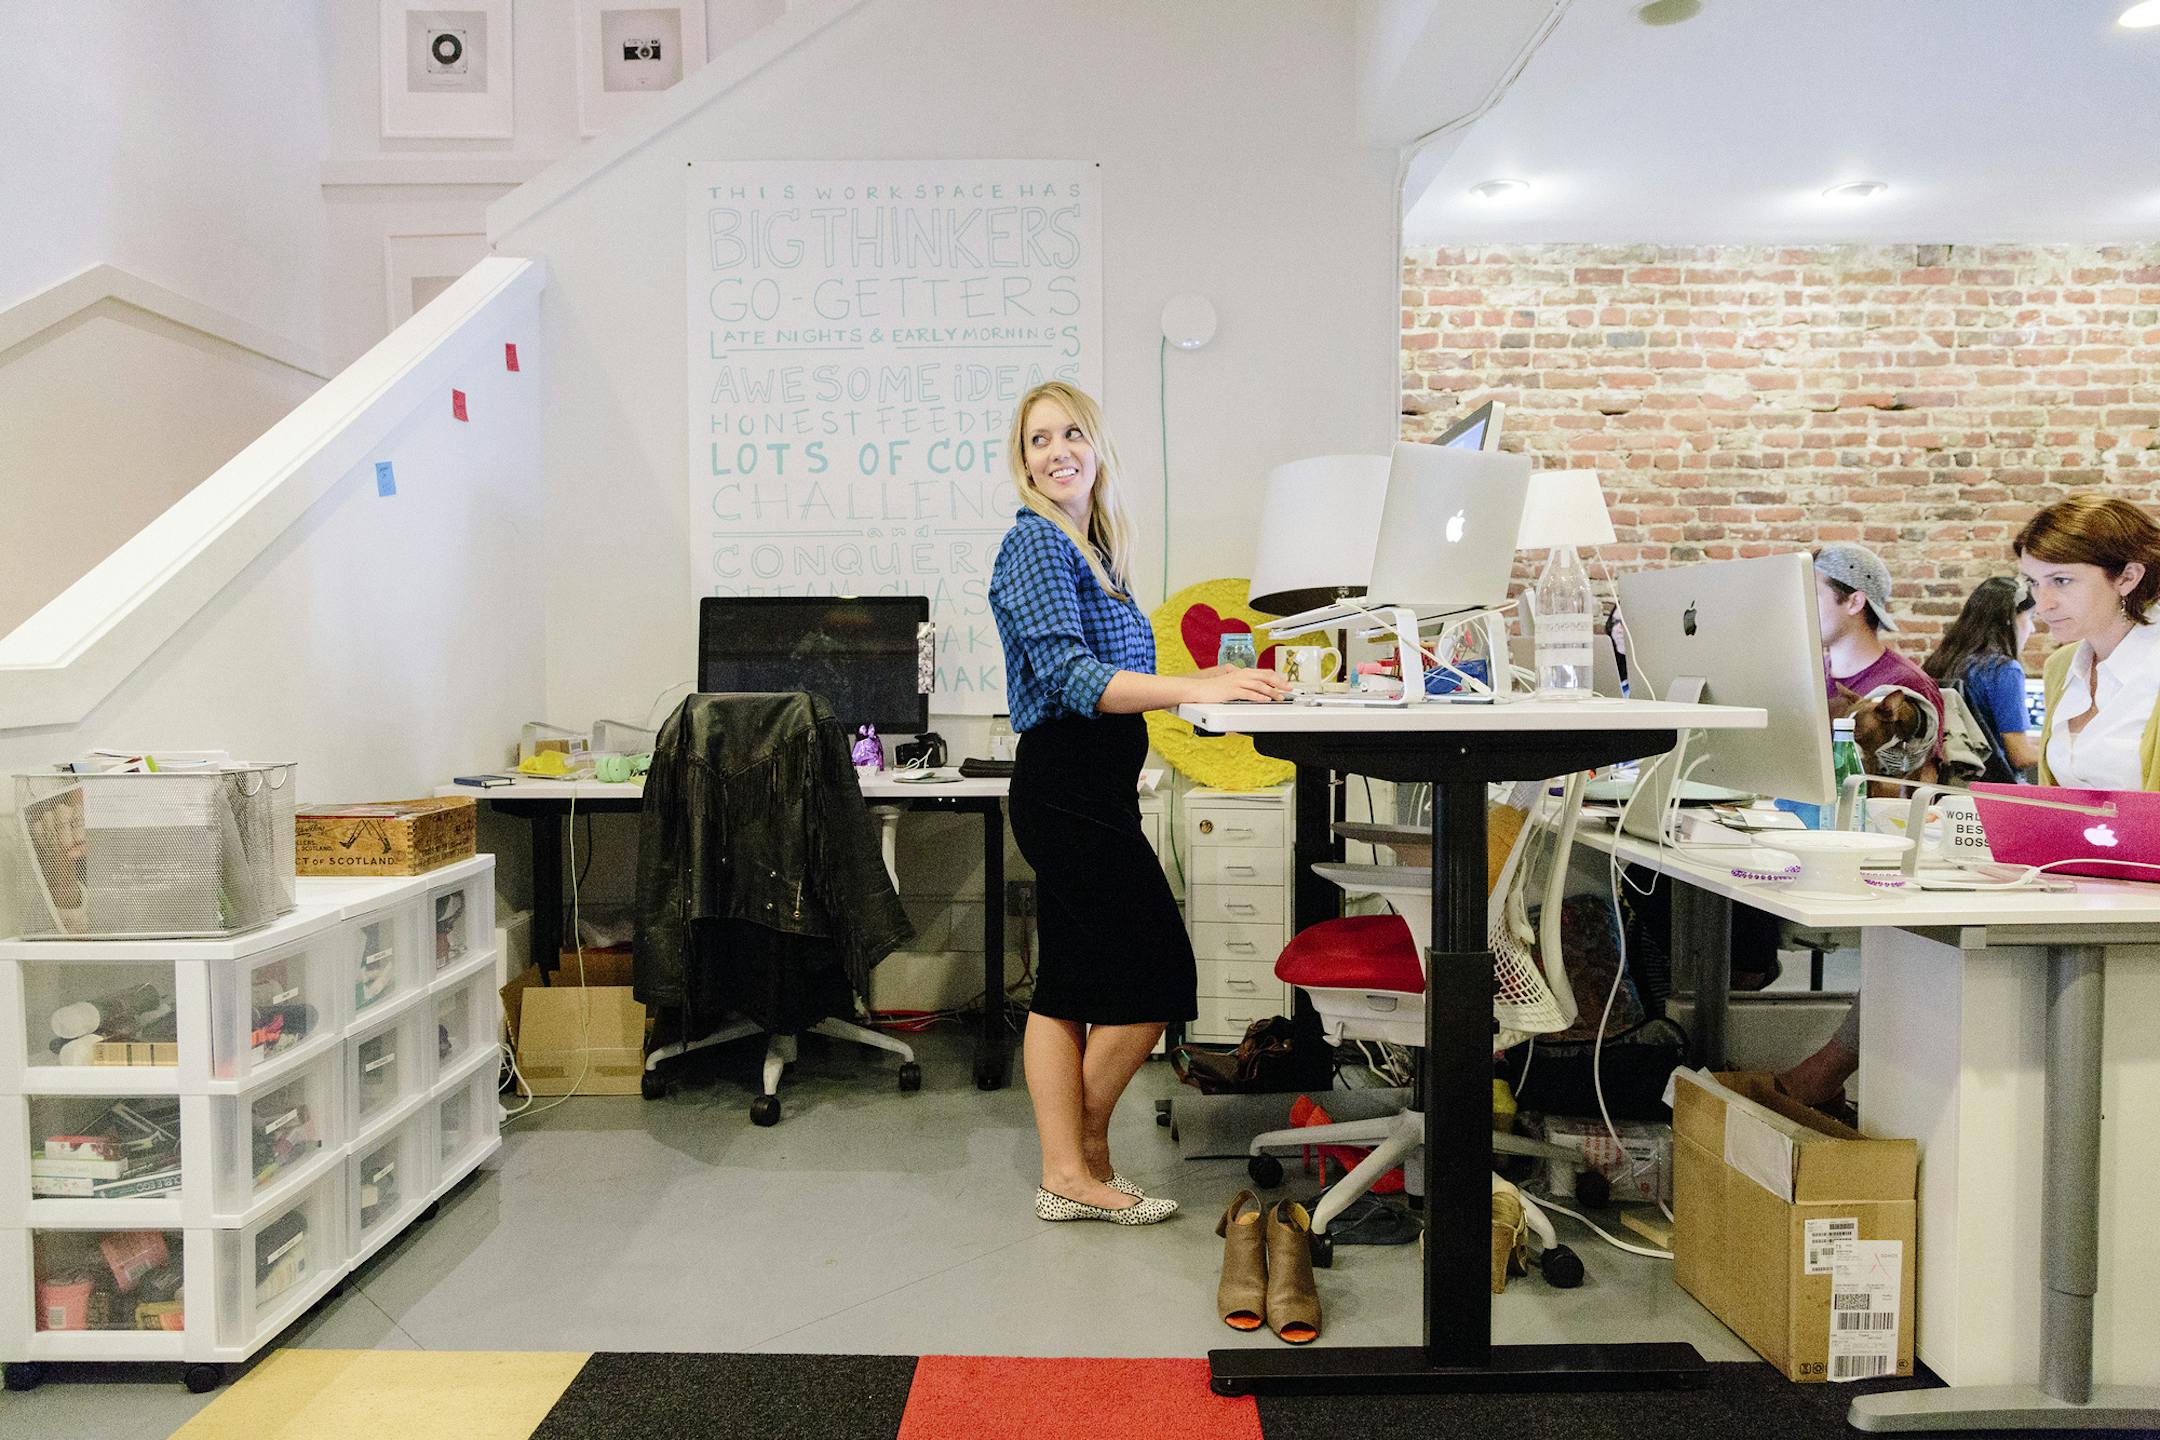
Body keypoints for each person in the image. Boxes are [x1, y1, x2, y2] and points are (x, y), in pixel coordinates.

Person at [987, 381, 1288, 1225]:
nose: (1057, 452)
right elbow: (1076, 679)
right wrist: (1200, 684)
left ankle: (1076, 1170)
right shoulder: (1037, 548)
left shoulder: (1093, 549)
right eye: (1038, 440)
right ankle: (1075, 1157)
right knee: (1156, 976)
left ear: (1096, 448)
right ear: (1023, 462)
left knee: (1068, 988)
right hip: (1068, 789)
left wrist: (1204, 688)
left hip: (1092, 788)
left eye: (1072, 433)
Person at [1773, 545, 1948, 1115]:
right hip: (1790, 833)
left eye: (1813, 596)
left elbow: (1900, 794)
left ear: (1855, 600)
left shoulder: (1902, 690)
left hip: (1863, 850)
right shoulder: (1809, 672)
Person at [2015, 493, 2160, 790]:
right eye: (2033, 582)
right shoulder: (2062, 666)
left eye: (2061, 581)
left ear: (2127, 577)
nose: (2042, 605)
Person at [1922, 576, 2040, 780]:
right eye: (2030, 618)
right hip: (1992, 789)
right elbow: (2020, 756)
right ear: (2010, 619)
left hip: (1946, 784)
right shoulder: (2004, 670)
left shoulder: (1941, 661)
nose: (2032, 628)